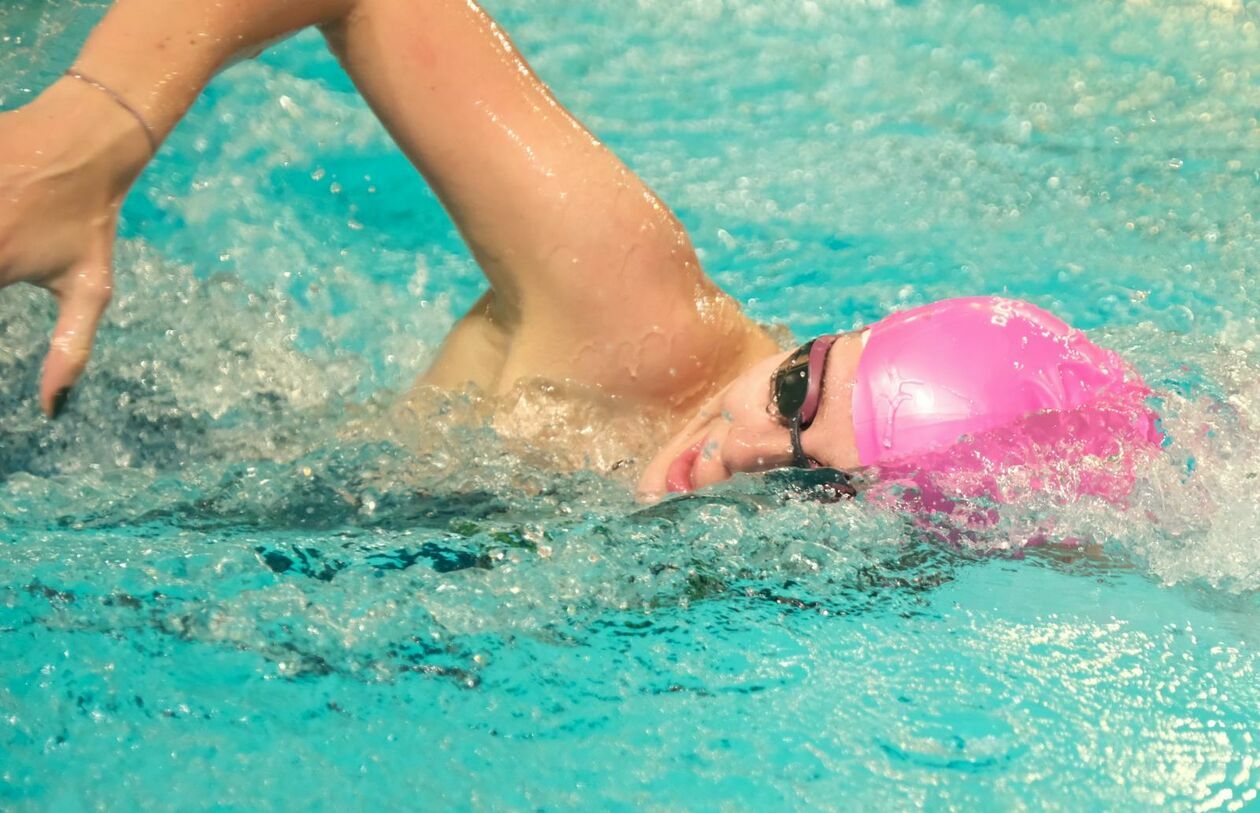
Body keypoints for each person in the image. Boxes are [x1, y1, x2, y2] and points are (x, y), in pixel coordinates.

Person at [0, 0, 1159, 503]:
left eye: (817, 493)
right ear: (815, 343)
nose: (748, 451)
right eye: (798, 389)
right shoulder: (641, 323)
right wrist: (90, 137)